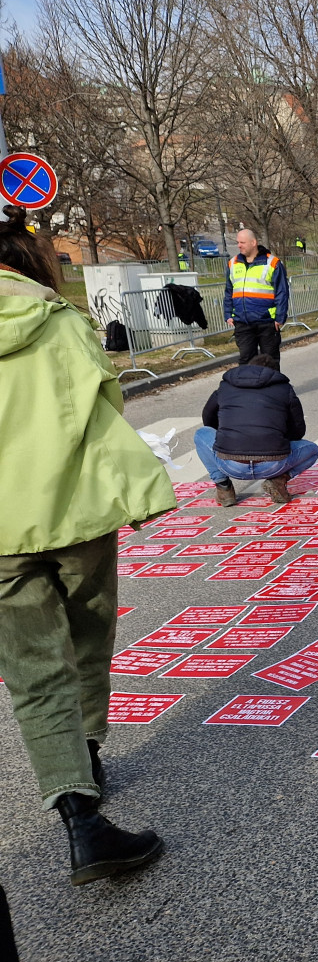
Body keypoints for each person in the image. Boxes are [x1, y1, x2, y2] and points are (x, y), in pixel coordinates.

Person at [0, 205, 173, 885]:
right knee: (89, 636)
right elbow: (107, 407)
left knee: (33, 670)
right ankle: (90, 753)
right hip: (74, 512)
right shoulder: (61, 322)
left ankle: (81, 817)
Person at [194, 354, 318, 507]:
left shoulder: (225, 386)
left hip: (230, 464)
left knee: (201, 434)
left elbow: (208, 416)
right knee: (312, 450)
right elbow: (298, 430)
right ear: (275, 373)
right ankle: (279, 480)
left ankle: (223, 487)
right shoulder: (284, 389)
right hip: (273, 465)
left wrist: (225, 436)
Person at [224, 228, 289, 365]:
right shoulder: (233, 263)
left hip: (266, 321)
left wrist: (279, 317)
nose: (239, 245)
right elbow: (229, 291)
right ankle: (248, 386)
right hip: (243, 322)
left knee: (269, 360)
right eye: (238, 242)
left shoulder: (272, 263)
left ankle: (273, 387)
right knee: (246, 360)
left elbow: (282, 292)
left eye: (242, 242)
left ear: (253, 242)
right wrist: (228, 313)